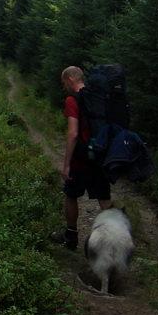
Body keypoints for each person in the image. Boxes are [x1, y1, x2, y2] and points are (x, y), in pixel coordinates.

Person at [49, 66, 113, 249]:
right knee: (104, 198)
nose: (64, 88)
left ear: (70, 80)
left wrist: (67, 165)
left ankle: (71, 236)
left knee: (71, 194)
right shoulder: (98, 97)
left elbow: (73, 134)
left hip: (81, 159)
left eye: (64, 84)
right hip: (100, 157)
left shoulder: (73, 100)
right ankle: (113, 238)